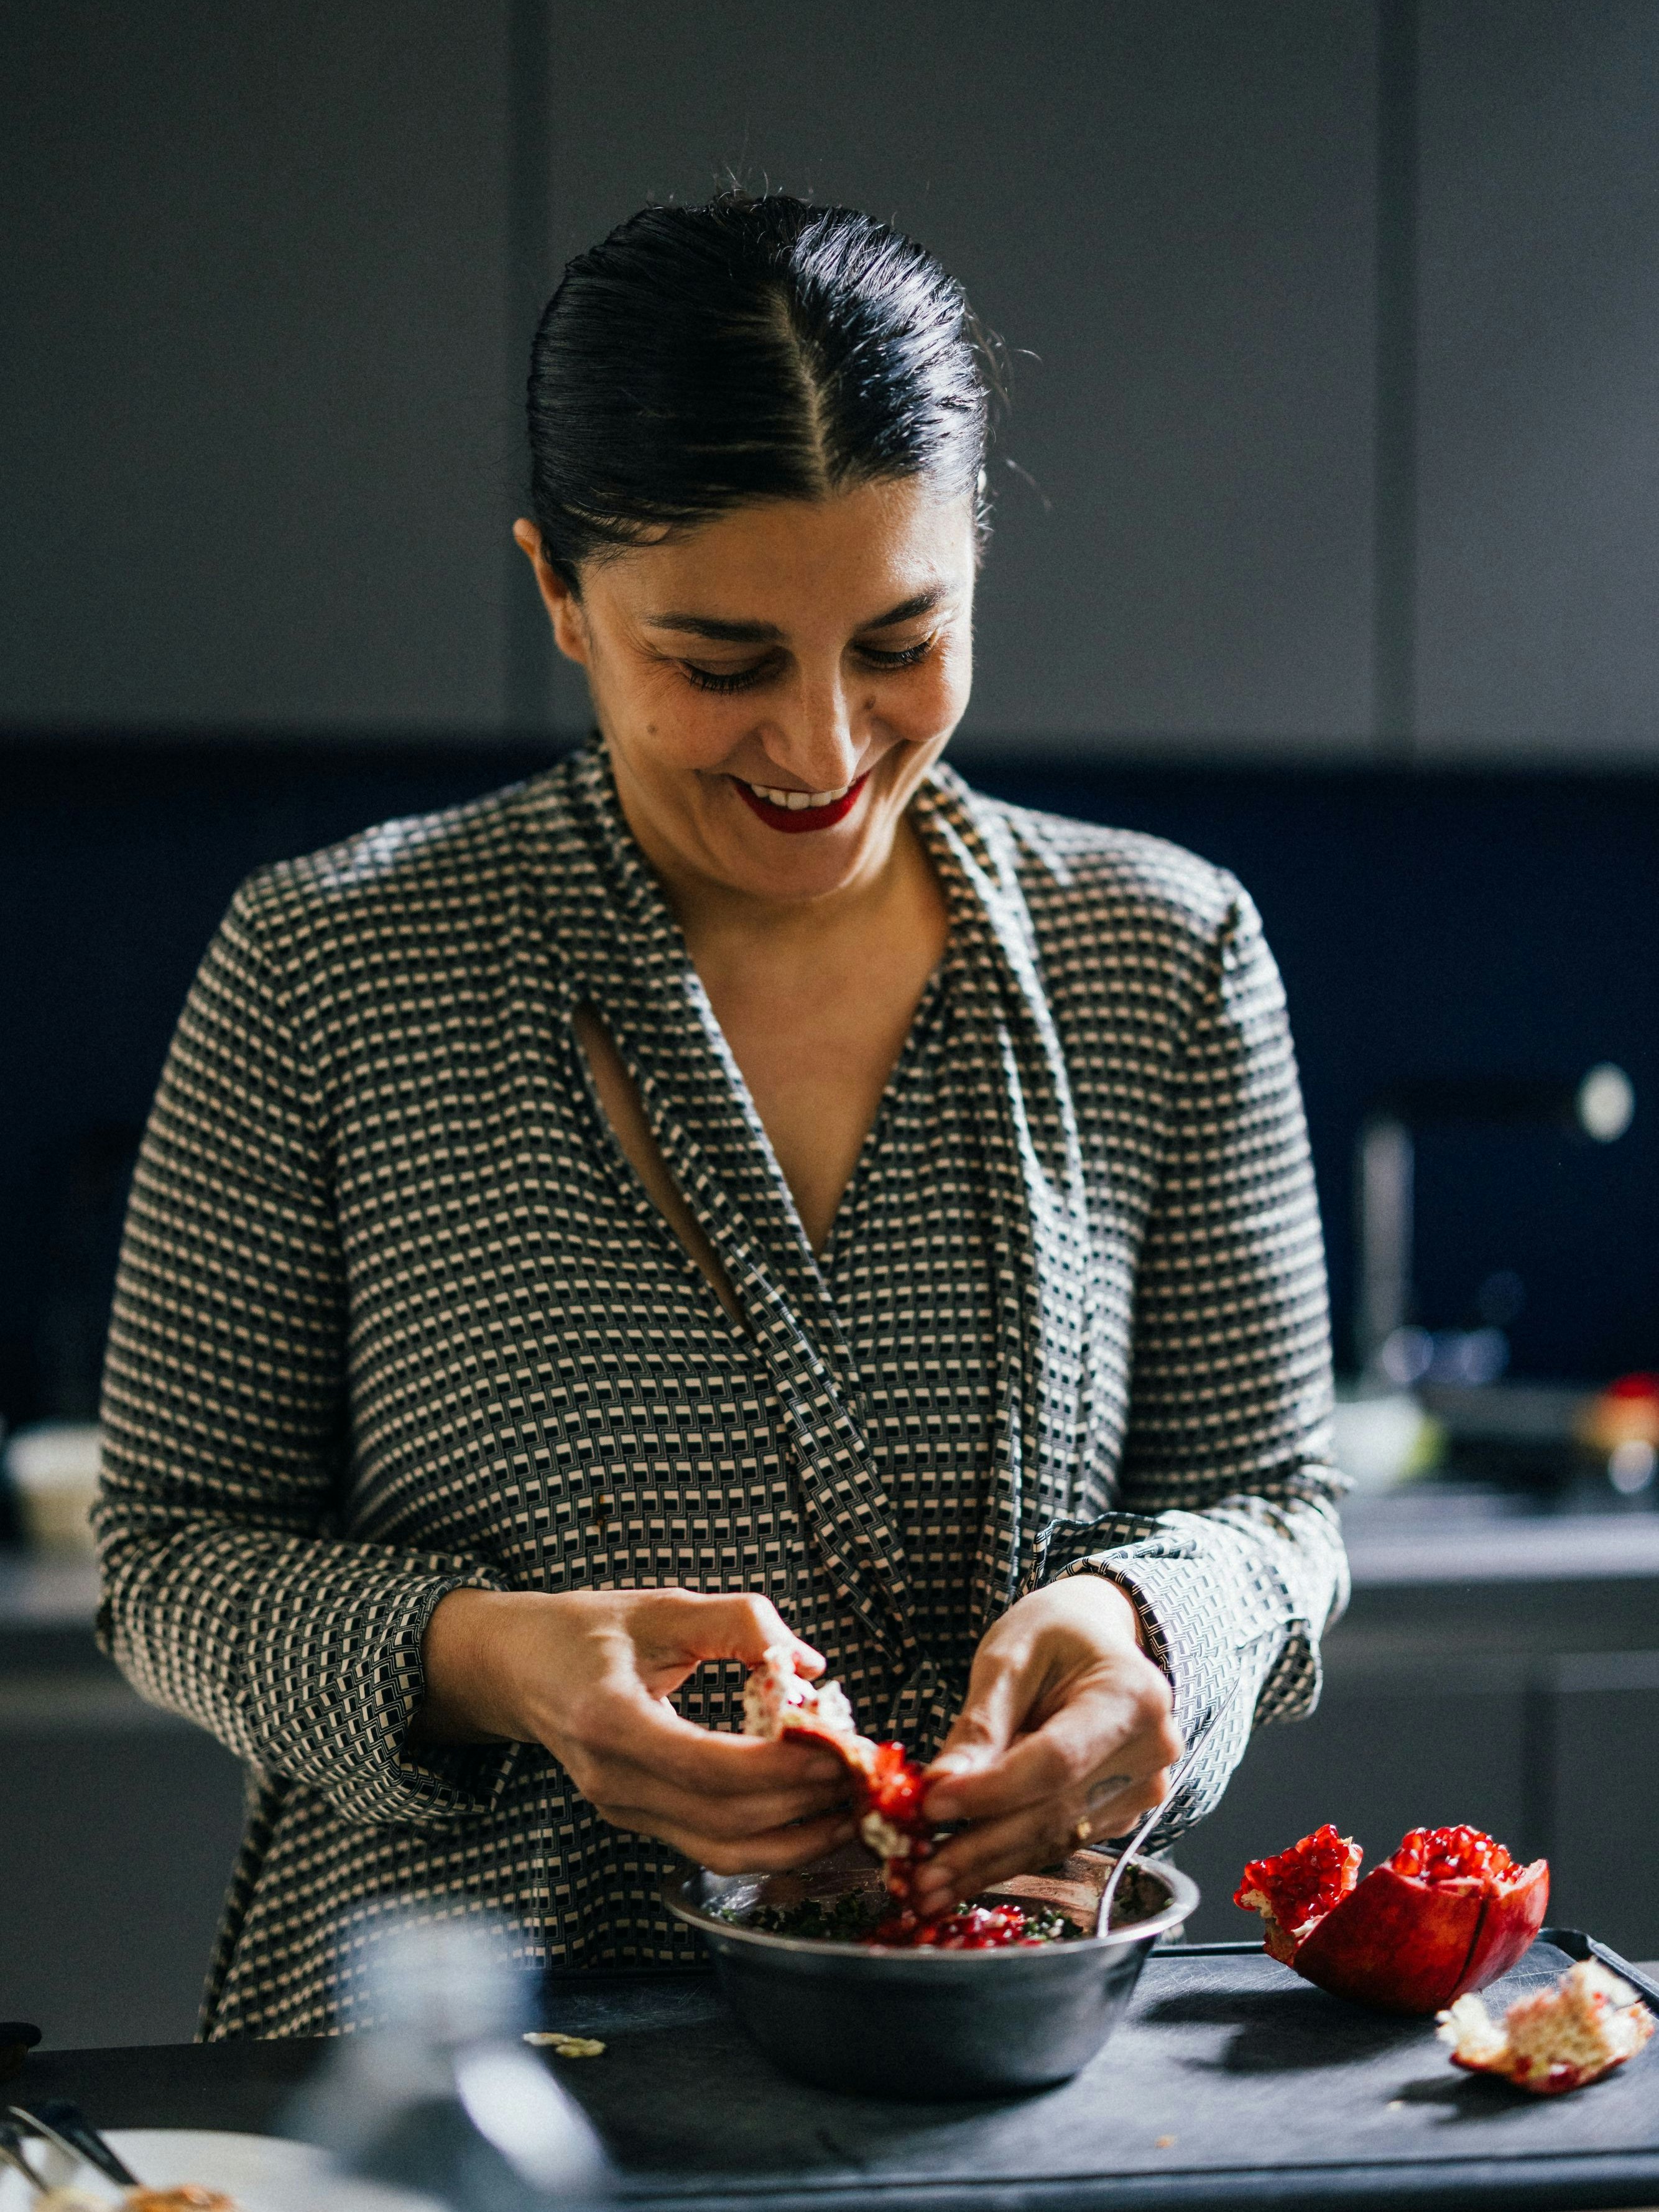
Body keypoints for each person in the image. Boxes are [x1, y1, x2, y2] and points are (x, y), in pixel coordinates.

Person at [96, 192, 1347, 2037]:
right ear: (560, 595)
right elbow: (170, 1555)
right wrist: (492, 1664)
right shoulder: (329, 965)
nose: (826, 750)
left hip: (996, 2055)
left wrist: (1156, 1623)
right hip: (449, 2062)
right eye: (723, 662)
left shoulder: (1159, 954)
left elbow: (1274, 1502)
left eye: (900, 641)